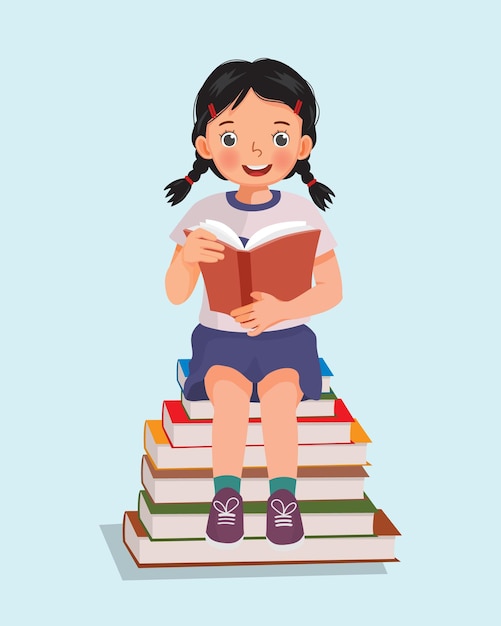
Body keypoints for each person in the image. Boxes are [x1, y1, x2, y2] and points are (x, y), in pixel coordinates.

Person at [164, 58, 342, 550]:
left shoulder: (303, 216)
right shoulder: (203, 213)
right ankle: (227, 499)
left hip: (286, 337)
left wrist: (280, 310)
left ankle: (283, 500)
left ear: (303, 145)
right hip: (221, 338)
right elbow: (176, 293)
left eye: (279, 137)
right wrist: (188, 260)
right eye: (232, 136)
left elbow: (331, 289)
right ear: (205, 145)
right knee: (229, 399)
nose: (257, 150)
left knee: (282, 399)